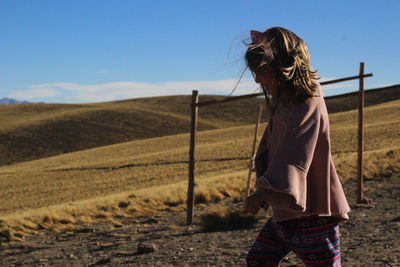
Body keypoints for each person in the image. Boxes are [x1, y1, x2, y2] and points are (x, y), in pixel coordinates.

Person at [242, 27, 351, 266]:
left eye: (262, 71)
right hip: (286, 209)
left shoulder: (307, 100)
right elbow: (272, 144)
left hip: (312, 212)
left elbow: (294, 152)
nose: (258, 79)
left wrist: (263, 191)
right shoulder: (285, 101)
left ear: (284, 65)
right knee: (258, 260)